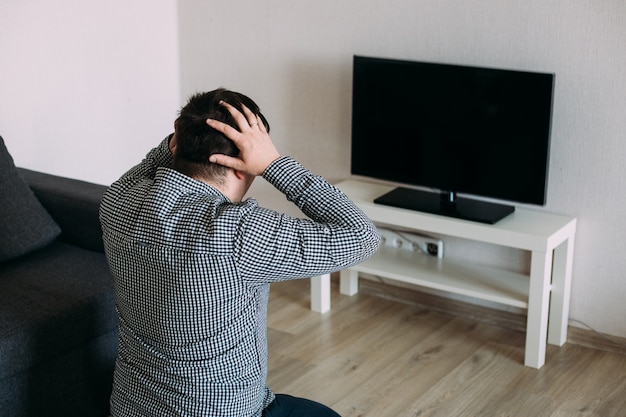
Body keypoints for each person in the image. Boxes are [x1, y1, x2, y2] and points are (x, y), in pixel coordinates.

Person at [99, 88, 381, 417]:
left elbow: (156, 161)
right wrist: (274, 165)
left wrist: (185, 134)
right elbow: (362, 236)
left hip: (130, 409)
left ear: (179, 137)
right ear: (241, 166)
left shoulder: (118, 200)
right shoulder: (238, 233)